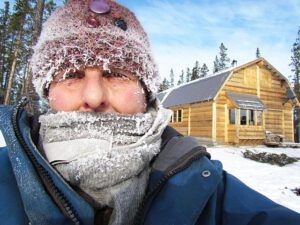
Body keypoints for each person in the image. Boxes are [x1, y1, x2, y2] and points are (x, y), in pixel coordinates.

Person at [0, 0, 300, 225]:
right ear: (47, 93)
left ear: (146, 94)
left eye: (117, 74)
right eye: (71, 75)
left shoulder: (206, 189)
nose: (93, 97)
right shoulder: (5, 179)